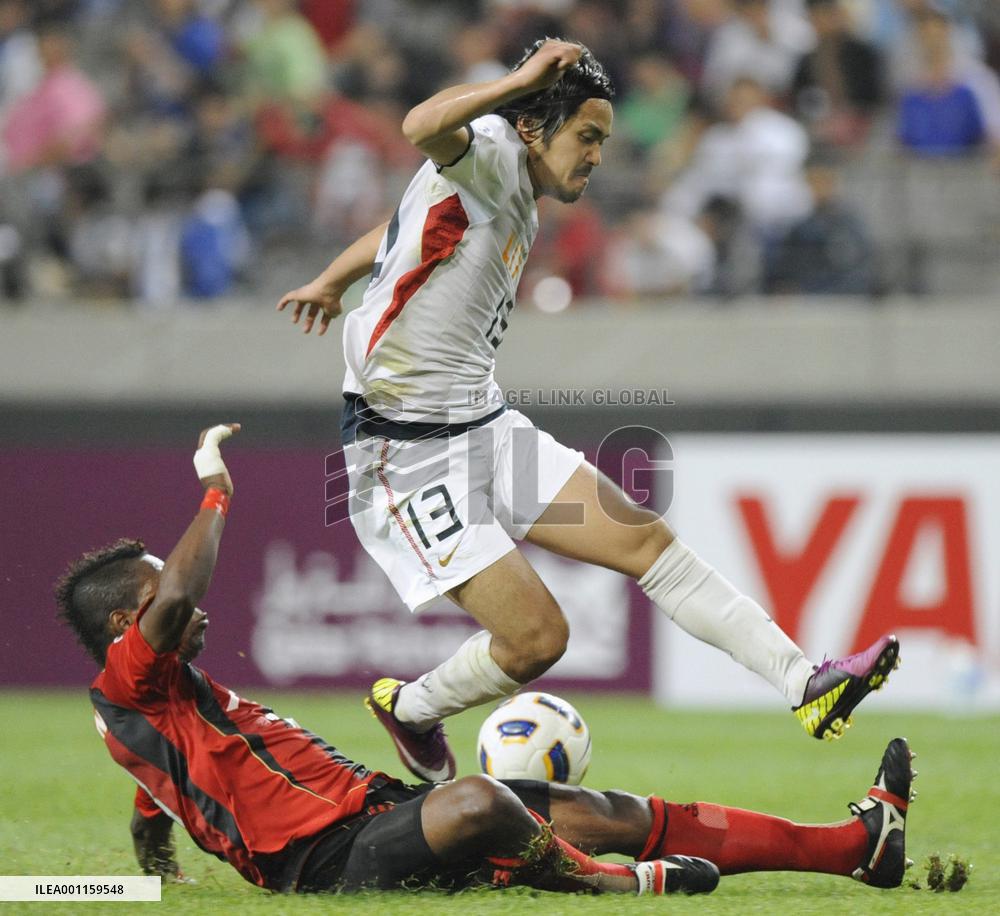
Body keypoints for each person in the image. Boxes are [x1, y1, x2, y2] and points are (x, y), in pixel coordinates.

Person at [276, 38, 900, 785]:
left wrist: (329, 279)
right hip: (403, 448)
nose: (599, 155)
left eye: (603, 139)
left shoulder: (504, 190)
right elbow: (419, 126)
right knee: (539, 639)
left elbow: (397, 231)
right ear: (537, 127)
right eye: (589, 136)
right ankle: (411, 710)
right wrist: (515, 84)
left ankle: (806, 685)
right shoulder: (491, 152)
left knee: (647, 541)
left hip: (480, 421)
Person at [54, 426, 915, 894]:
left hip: (378, 814)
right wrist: (215, 493)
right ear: (132, 623)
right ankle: (619, 889)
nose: (194, 606)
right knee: (478, 799)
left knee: (604, 805)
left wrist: (150, 835)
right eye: (169, 600)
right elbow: (171, 615)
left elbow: (167, 772)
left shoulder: (155, 705)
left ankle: (852, 847)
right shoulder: (134, 678)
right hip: (322, 864)